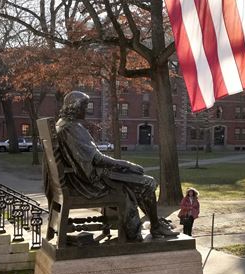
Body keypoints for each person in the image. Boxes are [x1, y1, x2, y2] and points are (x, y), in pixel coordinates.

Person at [52, 91, 179, 239]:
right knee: (148, 182)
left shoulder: (63, 124)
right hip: (90, 181)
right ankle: (155, 227)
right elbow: (97, 159)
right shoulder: (72, 128)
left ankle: (155, 224)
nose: (86, 110)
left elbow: (92, 157)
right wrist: (126, 164)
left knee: (140, 182)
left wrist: (123, 166)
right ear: (75, 107)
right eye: (84, 106)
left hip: (79, 178)